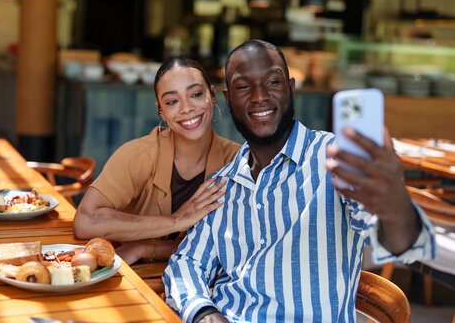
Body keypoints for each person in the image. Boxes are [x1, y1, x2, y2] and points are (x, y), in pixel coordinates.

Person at [163, 40, 436, 323]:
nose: (259, 97)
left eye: (272, 82)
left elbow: (398, 241)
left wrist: (397, 208)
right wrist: (204, 313)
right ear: (228, 98)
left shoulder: (335, 160)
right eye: (244, 86)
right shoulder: (222, 184)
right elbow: (187, 263)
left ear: (290, 89)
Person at [73, 58, 241, 265]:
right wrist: (176, 221)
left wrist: (144, 247)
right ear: (160, 110)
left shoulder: (237, 162)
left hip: (205, 284)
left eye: (196, 94)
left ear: (212, 96)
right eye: (172, 101)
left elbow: (234, 244)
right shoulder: (138, 155)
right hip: (131, 277)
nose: (186, 108)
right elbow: (86, 221)